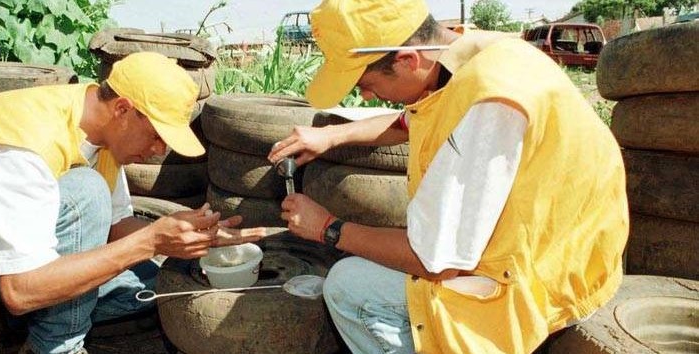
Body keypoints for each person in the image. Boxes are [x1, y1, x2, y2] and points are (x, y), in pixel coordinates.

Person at [268, 0, 629, 353]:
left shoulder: (487, 102)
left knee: (349, 285)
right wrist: (330, 136)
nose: (364, 95)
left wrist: (327, 228)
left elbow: (435, 262)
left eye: (365, 82)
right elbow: (413, 119)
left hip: (547, 279)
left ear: (407, 60)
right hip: (569, 245)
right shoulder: (467, 51)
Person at [0, 52, 265, 354]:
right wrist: (151, 242)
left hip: (19, 264)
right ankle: (56, 345)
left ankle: (12, 328)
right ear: (122, 109)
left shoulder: (99, 134)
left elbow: (116, 227)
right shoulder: (16, 140)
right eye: (155, 135)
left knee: (162, 284)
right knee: (88, 192)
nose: (158, 151)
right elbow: (21, 290)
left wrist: (192, 239)